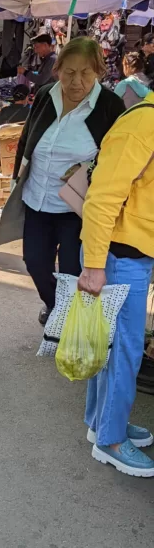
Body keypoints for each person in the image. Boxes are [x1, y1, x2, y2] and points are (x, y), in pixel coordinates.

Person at [5, 37, 125, 324]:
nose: (76, 81)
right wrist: (14, 182)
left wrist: (89, 169)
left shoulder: (109, 106)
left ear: (98, 72)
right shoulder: (46, 95)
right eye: (69, 72)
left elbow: (119, 159)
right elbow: (26, 141)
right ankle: (56, 304)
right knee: (34, 262)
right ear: (57, 70)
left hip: (78, 209)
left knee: (72, 269)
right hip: (37, 200)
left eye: (85, 73)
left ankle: (68, 319)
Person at [79, 92, 154, 477]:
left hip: (129, 254)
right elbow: (102, 198)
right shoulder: (143, 123)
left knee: (109, 348)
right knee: (124, 351)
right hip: (117, 257)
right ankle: (110, 440)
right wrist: (93, 265)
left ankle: (102, 424)